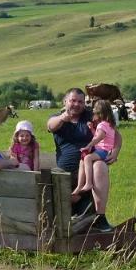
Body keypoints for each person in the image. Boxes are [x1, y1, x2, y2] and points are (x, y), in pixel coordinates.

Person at [47, 87, 118, 232]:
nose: (77, 104)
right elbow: (50, 125)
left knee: (100, 166)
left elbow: (115, 134)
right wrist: (62, 118)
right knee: (56, 181)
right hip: (65, 172)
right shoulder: (58, 118)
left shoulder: (91, 116)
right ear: (65, 101)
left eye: (80, 101)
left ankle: (100, 217)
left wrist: (115, 151)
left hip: (88, 169)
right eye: (73, 101)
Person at [72, 99, 117, 198]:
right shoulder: (109, 124)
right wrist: (92, 129)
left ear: (99, 113)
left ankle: (88, 183)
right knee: (82, 160)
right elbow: (98, 135)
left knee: (87, 158)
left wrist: (89, 145)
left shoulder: (102, 125)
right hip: (105, 150)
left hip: (103, 151)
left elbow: (98, 137)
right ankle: (80, 185)